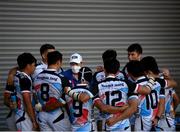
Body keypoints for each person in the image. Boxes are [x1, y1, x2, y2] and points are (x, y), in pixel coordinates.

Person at [93, 58, 160, 131]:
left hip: (107, 125)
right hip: (124, 126)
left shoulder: (97, 86)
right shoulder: (127, 84)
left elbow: (103, 108)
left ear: (104, 70)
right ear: (118, 72)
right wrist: (152, 79)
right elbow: (135, 105)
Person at [33, 51, 90, 131]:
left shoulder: (36, 77)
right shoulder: (62, 78)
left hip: (42, 115)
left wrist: (41, 106)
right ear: (58, 62)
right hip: (57, 116)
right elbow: (67, 97)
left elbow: (34, 96)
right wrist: (81, 96)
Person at [140, 56, 178, 131]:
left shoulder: (146, 83)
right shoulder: (165, 81)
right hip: (164, 120)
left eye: (144, 72)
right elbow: (176, 98)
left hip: (157, 121)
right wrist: (172, 110)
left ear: (148, 72)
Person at [13, 53, 39, 131]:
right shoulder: (25, 79)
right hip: (24, 116)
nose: (35, 67)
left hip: (19, 114)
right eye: (34, 65)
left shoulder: (17, 75)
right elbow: (27, 100)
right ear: (28, 65)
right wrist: (34, 121)